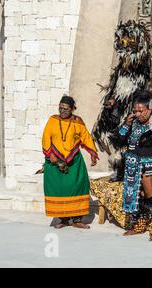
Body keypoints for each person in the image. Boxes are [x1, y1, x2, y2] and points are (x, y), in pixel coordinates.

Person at [116, 90, 152, 241]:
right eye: (135, 111)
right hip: (132, 168)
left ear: (150, 109)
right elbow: (119, 140)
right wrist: (126, 124)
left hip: (150, 166)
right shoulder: (132, 123)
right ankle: (139, 225)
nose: (138, 114)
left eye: (141, 111)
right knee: (137, 199)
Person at [42, 95, 99, 229]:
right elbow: (45, 138)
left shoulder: (77, 122)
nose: (62, 111)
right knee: (59, 189)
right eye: (60, 108)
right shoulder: (52, 120)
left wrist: (92, 154)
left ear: (72, 109)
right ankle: (63, 219)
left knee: (77, 187)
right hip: (54, 160)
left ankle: (77, 220)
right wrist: (54, 159)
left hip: (74, 161)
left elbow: (86, 138)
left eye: (66, 109)